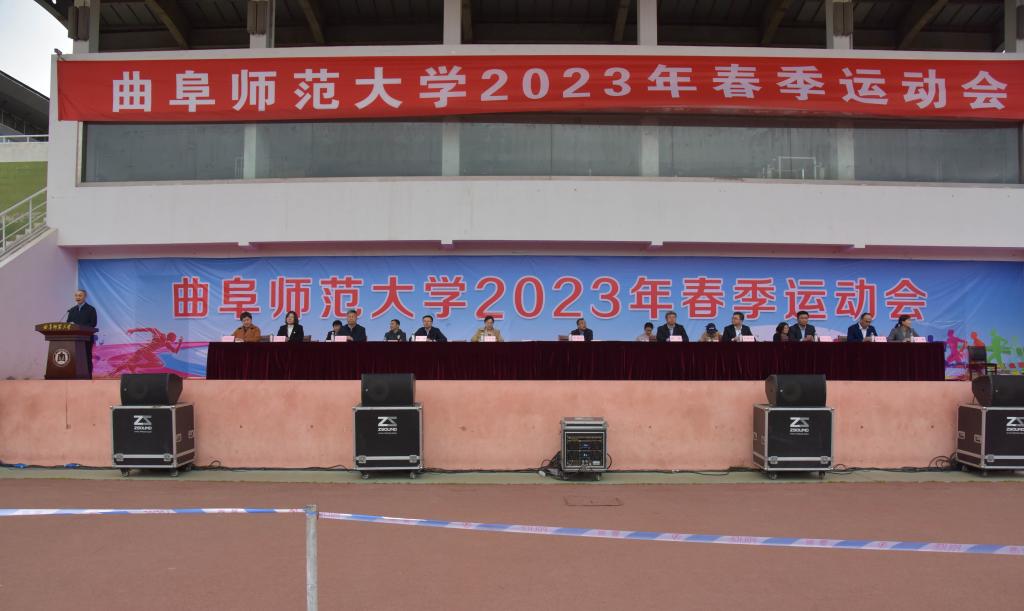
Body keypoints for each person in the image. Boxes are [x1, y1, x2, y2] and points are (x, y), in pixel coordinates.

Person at [66, 289, 98, 376]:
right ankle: (75, 376)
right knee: (74, 358)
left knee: (86, 357)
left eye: (80, 295)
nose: (78, 297)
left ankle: (88, 377)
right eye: (76, 295)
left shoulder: (91, 309)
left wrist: (78, 326)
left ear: (85, 297)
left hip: (86, 338)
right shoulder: (72, 310)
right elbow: (68, 323)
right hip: (74, 339)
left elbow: (93, 323)